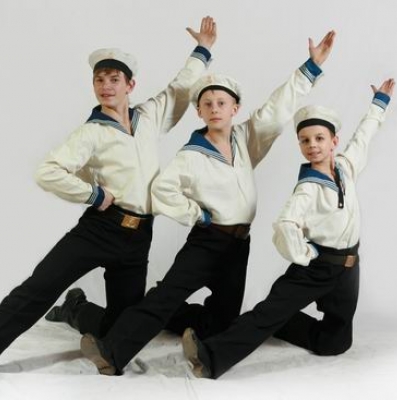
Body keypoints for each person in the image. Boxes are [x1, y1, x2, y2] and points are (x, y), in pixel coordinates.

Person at [0, 16, 218, 380]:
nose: (106, 86)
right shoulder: (91, 132)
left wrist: (203, 49)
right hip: (101, 229)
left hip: (139, 236)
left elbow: (180, 88)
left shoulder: (150, 115)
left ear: (130, 84)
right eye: (99, 80)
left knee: (122, 327)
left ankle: (75, 309)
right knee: (40, 288)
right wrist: (93, 194)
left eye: (114, 79)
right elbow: (47, 171)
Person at [79, 31, 337, 376]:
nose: (215, 109)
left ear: (235, 109)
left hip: (238, 245)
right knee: (165, 298)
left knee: (221, 321)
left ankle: (170, 323)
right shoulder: (191, 154)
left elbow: (278, 107)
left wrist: (311, 67)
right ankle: (111, 351)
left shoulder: (246, 139)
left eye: (222, 103)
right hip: (207, 241)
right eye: (208, 104)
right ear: (198, 111)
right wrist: (195, 214)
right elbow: (162, 191)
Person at [181, 78, 396, 379]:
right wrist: (306, 254)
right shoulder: (307, 188)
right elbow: (284, 225)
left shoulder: (346, 167)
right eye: (305, 141)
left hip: (348, 269)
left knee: (336, 342)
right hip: (316, 268)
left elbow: (363, 137)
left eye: (319, 138)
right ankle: (211, 356)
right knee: (268, 313)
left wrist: (379, 104)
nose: (313, 145)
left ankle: (280, 323)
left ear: (334, 141)